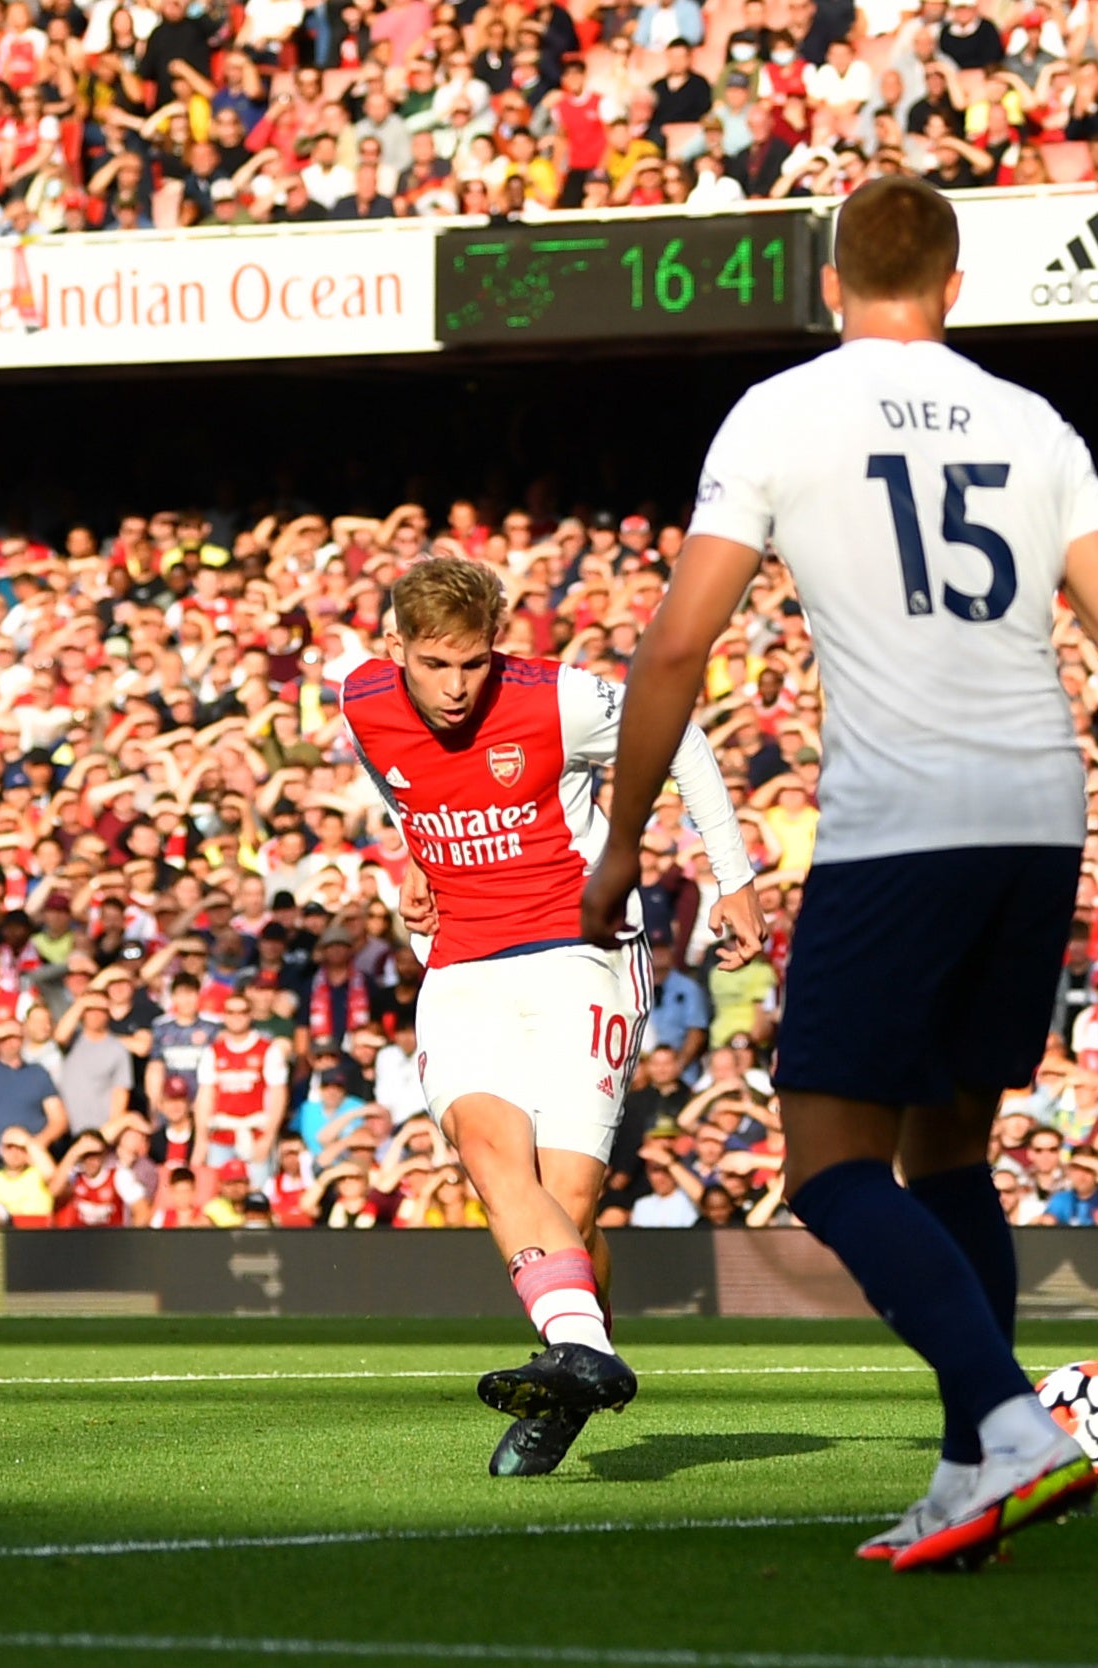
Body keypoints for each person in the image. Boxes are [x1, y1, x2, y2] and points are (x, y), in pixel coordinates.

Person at [578, 175, 1098, 1572]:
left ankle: (1010, 1420)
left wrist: (623, 834)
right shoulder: (1033, 423)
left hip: (900, 819)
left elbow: (677, 647)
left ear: (827, 284)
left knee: (830, 1164)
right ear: (955, 285)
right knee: (952, 1153)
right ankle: (970, 1476)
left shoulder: (783, 412)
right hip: (1038, 814)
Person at [342, 556, 763, 1479]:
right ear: (395, 649)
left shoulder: (556, 698)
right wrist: (417, 856)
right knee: (494, 1158)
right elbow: (401, 785)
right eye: (435, 664)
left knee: (566, 1207)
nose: (456, 688)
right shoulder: (359, 700)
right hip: (461, 961)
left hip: (584, 950)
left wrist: (734, 880)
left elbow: (680, 738)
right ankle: (581, 1353)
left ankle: (573, 1369)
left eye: (474, 664)